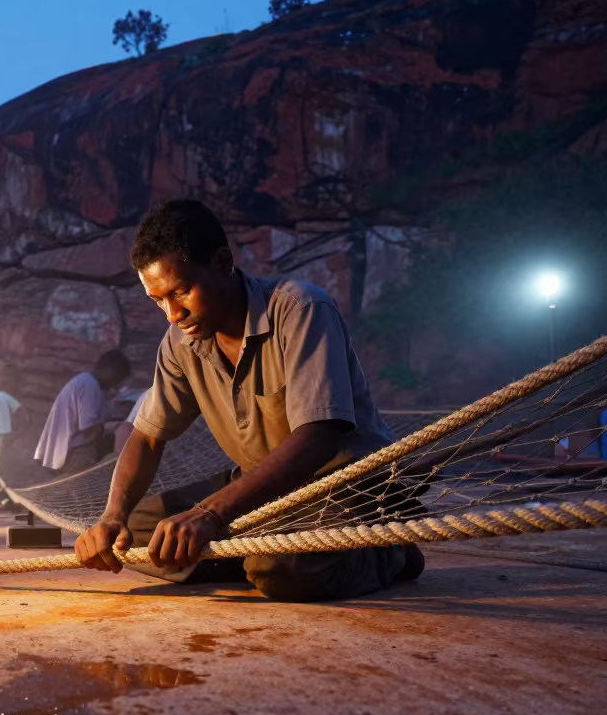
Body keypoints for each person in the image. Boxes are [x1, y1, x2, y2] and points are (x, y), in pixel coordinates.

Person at [74, 199, 424, 602]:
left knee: (280, 569)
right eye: (158, 300)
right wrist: (112, 515)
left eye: (181, 291)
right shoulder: (180, 342)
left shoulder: (301, 310)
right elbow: (148, 437)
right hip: (259, 486)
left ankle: (389, 554)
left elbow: (320, 436)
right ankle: (251, 551)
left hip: (342, 489)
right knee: (132, 534)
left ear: (222, 262)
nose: (172, 313)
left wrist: (211, 514)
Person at [34, 350, 131, 476]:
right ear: (109, 371)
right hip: (73, 454)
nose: (115, 385)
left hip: (60, 453)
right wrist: (116, 426)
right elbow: (89, 429)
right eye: (117, 379)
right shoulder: (89, 385)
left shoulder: (83, 381)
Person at [0, 367, 26, 503]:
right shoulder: (4, 397)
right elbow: (24, 415)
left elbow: (22, 416)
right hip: (0, 437)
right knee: (0, 471)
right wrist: (15, 435)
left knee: (0, 470)